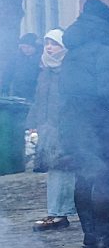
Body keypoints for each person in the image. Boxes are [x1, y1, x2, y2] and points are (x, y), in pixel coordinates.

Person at [59, 0, 109, 248]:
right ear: (104, 26)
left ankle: (90, 238)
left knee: (83, 180)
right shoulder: (102, 53)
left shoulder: (72, 53)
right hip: (100, 127)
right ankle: (107, 237)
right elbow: (108, 92)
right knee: (105, 180)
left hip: (74, 127)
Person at [27, 29, 76, 231]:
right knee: (56, 171)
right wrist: (34, 123)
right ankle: (57, 212)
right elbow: (39, 100)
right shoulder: (45, 70)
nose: (49, 47)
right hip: (48, 129)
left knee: (65, 170)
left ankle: (60, 212)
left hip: (65, 128)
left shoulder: (69, 70)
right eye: (47, 43)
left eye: (54, 43)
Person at [1, 33, 42, 101]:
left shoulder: (42, 59)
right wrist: (4, 89)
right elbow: (7, 74)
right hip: (18, 93)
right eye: (23, 47)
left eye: (29, 47)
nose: (26, 50)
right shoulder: (16, 58)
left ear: (35, 46)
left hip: (35, 94)